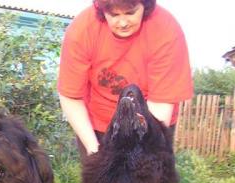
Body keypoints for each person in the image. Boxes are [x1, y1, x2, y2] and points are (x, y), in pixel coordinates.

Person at [57, 0, 193, 154]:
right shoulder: (81, 31)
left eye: (130, 12)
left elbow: (160, 104)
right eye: (114, 15)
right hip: (98, 122)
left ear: (145, 6)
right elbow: (71, 97)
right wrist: (94, 151)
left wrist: (143, 155)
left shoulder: (166, 30)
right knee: (99, 173)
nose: (122, 23)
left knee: (147, 172)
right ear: (102, 11)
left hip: (151, 119)